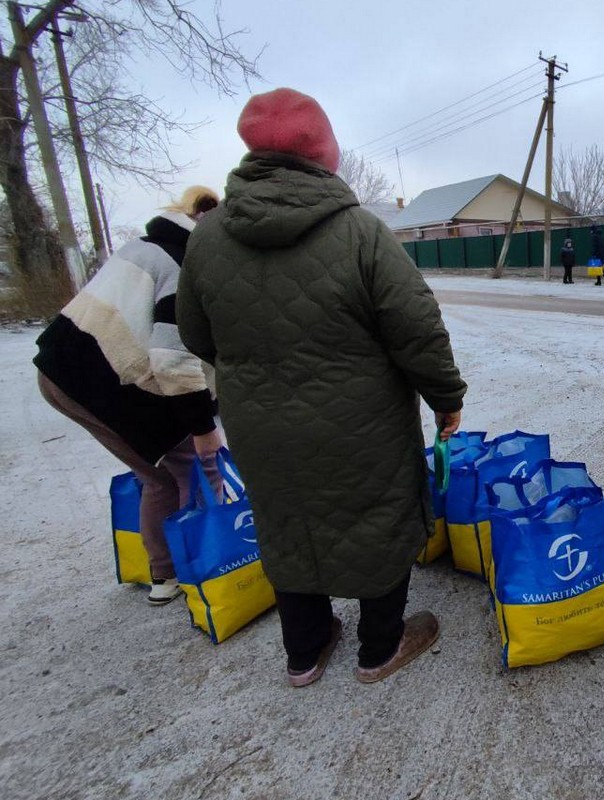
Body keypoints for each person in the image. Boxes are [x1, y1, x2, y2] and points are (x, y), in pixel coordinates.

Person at [177, 88, 467, 688]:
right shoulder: (359, 232)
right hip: (361, 422)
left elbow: (196, 335)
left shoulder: (206, 239)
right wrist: (446, 398)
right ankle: (378, 649)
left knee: (287, 520)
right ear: (323, 154)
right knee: (377, 518)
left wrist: (256, 374)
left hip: (260, 426)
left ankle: (304, 654)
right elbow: (416, 327)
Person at [33, 186, 223, 605]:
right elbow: (173, 358)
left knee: (156, 470)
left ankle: (166, 567)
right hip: (102, 380)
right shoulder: (180, 265)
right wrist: (203, 425)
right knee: (183, 465)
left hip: (62, 371)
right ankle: (187, 567)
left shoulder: (144, 246)